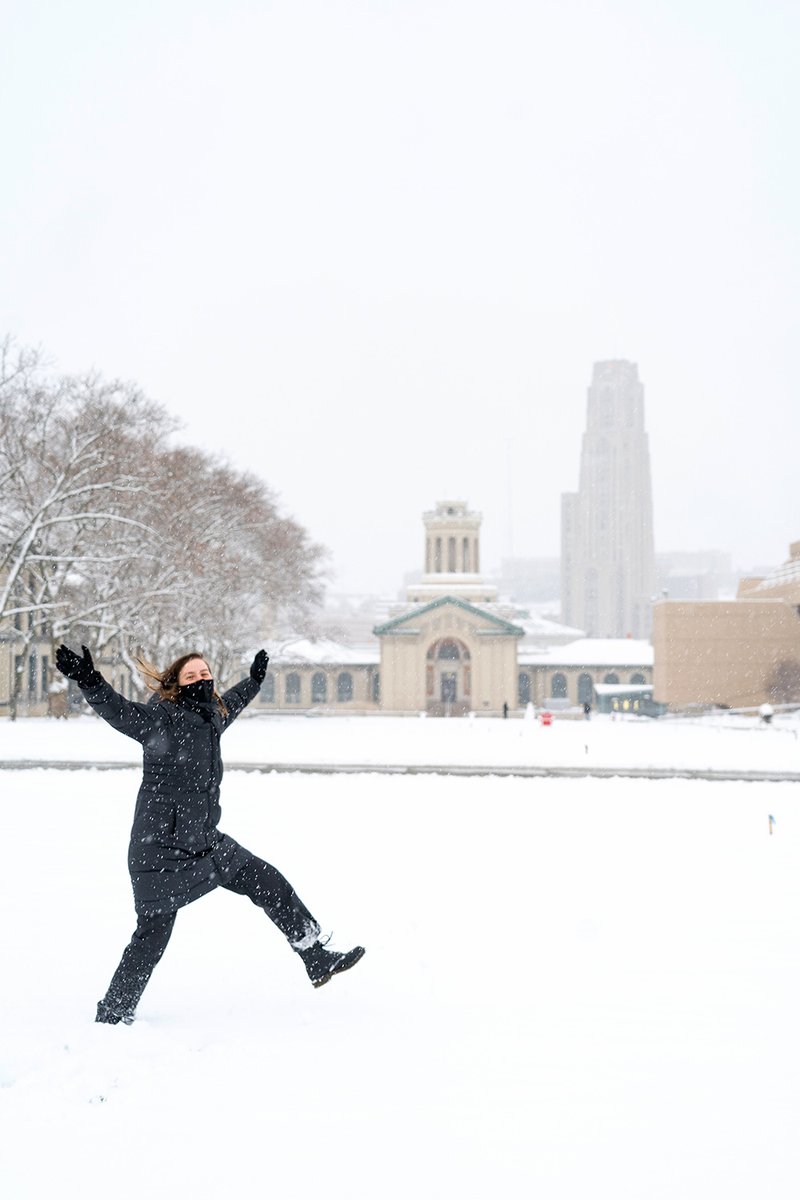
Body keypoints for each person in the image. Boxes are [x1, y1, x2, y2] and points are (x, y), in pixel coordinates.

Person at [55, 643, 365, 1025]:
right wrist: (89, 679)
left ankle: (314, 954)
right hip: (160, 850)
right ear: (174, 683)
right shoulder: (159, 720)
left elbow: (232, 701)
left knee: (269, 882)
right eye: (191, 675)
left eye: (205, 674)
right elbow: (118, 711)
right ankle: (114, 1011)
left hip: (204, 842)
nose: (201, 679)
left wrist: (253, 681)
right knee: (151, 937)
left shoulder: (212, 715)